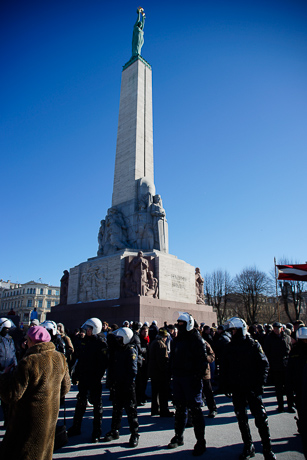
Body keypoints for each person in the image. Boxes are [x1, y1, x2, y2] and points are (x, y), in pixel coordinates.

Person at [0, 325, 71, 460]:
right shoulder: (60, 358)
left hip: (26, 423)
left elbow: (11, 395)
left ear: (33, 341)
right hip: (48, 422)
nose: (26, 343)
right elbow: (66, 388)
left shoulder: (29, 362)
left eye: (28, 340)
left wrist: (4, 376)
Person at [221, 317, 276, 460]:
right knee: (241, 418)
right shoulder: (229, 347)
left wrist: (260, 385)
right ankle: (248, 446)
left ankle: (267, 449)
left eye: (233, 330)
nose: (232, 333)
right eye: (231, 330)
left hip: (252, 388)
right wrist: (226, 384)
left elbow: (264, 365)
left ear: (240, 330)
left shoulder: (253, 344)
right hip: (237, 388)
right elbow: (225, 368)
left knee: (261, 419)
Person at [168, 312, 207, 456]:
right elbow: (173, 357)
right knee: (179, 409)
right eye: (178, 324)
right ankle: (178, 436)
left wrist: (197, 377)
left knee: (195, 411)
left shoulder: (196, 339)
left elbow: (203, 361)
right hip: (179, 378)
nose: (179, 326)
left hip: (191, 379)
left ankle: (200, 441)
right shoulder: (178, 339)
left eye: (182, 324)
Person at [68, 318, 108, 442]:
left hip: (94, 378)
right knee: (80, 402)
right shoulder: (84, 341)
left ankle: (97, 431)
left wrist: (98, 376)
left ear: (95, 329)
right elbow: (80, 359)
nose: (86, 331)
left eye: (89, 329)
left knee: (97, 405)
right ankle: (76, 426)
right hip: (84, 377)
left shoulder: (101, 343)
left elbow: (103, 363)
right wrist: (76, 374)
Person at [103, 327, 140, 447]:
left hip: (128, 385)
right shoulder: (119, 349)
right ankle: (114, 430)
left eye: (120, 338)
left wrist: (128, 383)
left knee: (131, 410)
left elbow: (133, 370)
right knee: (116, 409)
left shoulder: (130, 350)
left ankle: (134, 434)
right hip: (118, 384)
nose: (118, 340)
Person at [263, 321, 293, 412]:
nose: (276, 330)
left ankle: (290, 406)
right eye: (275, 329)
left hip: (286, 366)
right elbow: (266, 352)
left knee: (289, 388)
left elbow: (290, 350)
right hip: (276, 367)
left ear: (282, 329)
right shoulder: (269, 339)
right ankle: (280, 406)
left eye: (278, 329)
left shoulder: (287, 338)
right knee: (278, 389)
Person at [148, 327, 173, 417]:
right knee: (163, 392)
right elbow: (162, 361)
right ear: (163, 337)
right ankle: (164, 410)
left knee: (155, 392)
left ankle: (154, 409)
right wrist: (165, 370)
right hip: (160, 373)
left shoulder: (153, 342)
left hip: (153, 371)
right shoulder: (161, 344)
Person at [0, 318, 17, 426]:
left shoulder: (10, 339)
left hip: (9, 372)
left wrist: (15, 366)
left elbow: (13, 353)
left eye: (8, 329)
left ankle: (8, 420)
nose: (7, 331)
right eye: (5, 329)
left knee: (7, 398)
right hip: (2, 370)